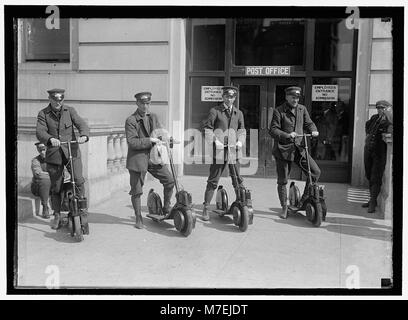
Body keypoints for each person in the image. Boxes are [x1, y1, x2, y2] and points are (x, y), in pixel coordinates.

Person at [36, 88, 89, 229]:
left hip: (72, 151)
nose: (58, 102)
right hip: (54, 154)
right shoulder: (43, 114)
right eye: (55, 100)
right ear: (50, 99)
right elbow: (40, 131)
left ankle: (82, 211)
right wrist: (50, 138)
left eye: (61, 100)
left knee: (78, 180)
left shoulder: (70, 111)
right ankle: (57, 214)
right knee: (56, 187)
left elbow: (81, 123)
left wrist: (84, 135)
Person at [125, 91, 175, 229]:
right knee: (137, 190)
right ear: (137, 103)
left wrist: (166, 138)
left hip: (154, 158)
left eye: (148, 103)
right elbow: (132, 142)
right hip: (138, 159)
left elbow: (160, 132)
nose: (145, 106)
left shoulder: (153, 117)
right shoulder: (131, 120)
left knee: (170, 180)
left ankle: (166, 207)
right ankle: (138, 217)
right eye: (142, 103)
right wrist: (150, 140)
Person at [269, 86, 321, 219]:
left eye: (297, 97)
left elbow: (309, 123)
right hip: (283, 150)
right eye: (293, 97)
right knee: (283, 180)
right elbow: (273, 130)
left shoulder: (302, 109)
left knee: (314, 172)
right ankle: (284, 207)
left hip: (299, 148)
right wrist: (287, 135)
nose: (295, 99)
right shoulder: (279, 111)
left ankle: (303, 200)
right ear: (287, 97)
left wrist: (313, 129)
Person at [201, 86, 246, 221]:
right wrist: (215, 141)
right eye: (227, 96)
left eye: (232, 97)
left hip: (234, 151)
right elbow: (207, 129)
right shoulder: (215, 111)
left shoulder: (239, 113)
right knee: (213, 181)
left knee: (237, 179)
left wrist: (240, 142)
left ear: (235, 98)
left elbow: (242, 130)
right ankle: (206, 208)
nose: (229, 99)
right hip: (220, 152)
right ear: (223, 97)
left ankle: (240, 205)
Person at [362, 100, 393, 213]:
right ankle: (371, 199)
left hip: (379, 153)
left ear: (387, 109)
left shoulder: (388, 121)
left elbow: (390, 130)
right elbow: (367, 125)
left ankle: (373, 202)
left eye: (382, 108)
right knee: (369, 174)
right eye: (378, 108)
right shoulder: (374, 118)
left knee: (376, 176)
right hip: (369, 150)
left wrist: (388, 116)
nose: (380, 110)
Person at [31, 142, 51, 218]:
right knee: (44, 181)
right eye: (40, 150)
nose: (42, 152)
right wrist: (52, 175)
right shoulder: (35, 160)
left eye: (44, 149)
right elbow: (39, 174)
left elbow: (64, 173)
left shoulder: (55, 159)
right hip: (38, 187)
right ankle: (45, 207)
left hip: (52, 185)